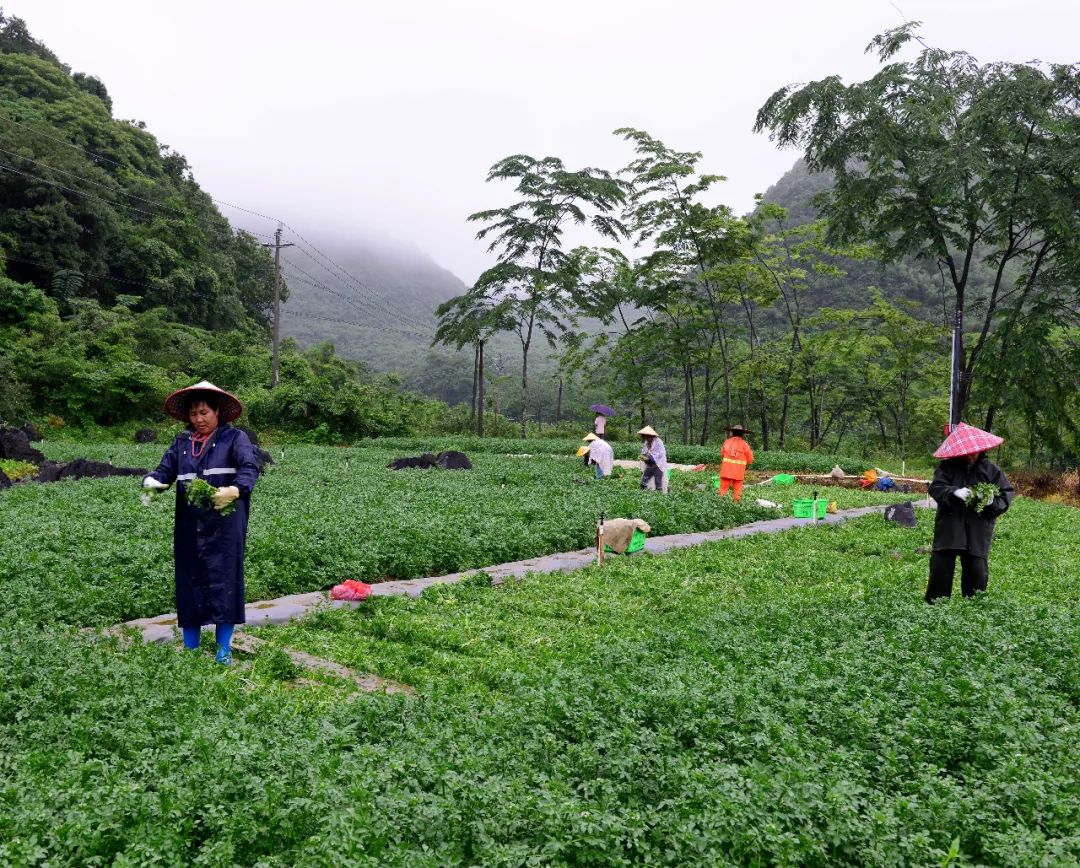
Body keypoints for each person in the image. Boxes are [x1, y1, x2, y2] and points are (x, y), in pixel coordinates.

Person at [142, 381, 261, 663]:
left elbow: (249, 467)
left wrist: (235, 490)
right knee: (189, 583)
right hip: (189, 527)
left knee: (224, 583)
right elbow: (164, 471)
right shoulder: (182, 443)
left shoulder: (235, 439)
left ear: (218, 411)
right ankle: (190, 651)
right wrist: (152, 483)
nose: (199, 419)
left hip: (225, 528)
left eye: (204, 412)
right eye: (194, 413)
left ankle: (223, 651)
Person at [925, 423, 1015, 603]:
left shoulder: (991, 470)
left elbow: (1006, 494)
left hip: (978, 528)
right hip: (950, 527)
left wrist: (991, 502)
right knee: (941, 568)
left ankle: (974, 607)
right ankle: (935, 607)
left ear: (980, 449)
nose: (970, 456)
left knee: (976, 570)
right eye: (966, 453)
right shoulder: (947, 467)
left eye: (973, 452)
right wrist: (954, 492)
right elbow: (936, 488)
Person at [719, 424, 754, 502]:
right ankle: (736, 506)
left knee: (723, 490)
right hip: (738, 473)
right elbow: (750, 459)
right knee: (737, 491)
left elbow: (722, 454)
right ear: (742, 434)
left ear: (732, 433)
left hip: (726, 471)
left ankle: (720, 505)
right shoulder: (745, 444)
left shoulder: (726, 442)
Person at [637, 425, 667, 492]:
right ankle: (643, 492)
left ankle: (660, 494)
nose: (645, 438)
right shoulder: (646, 442)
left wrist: (649, 458)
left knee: (658, 481)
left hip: (658, 465)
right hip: (650, 465)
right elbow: (644, 451)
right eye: (644, 436)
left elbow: (659, 454)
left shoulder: (658, 442)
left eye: (646, 436)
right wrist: (643, 456)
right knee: (644, 480)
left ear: (650, 435)